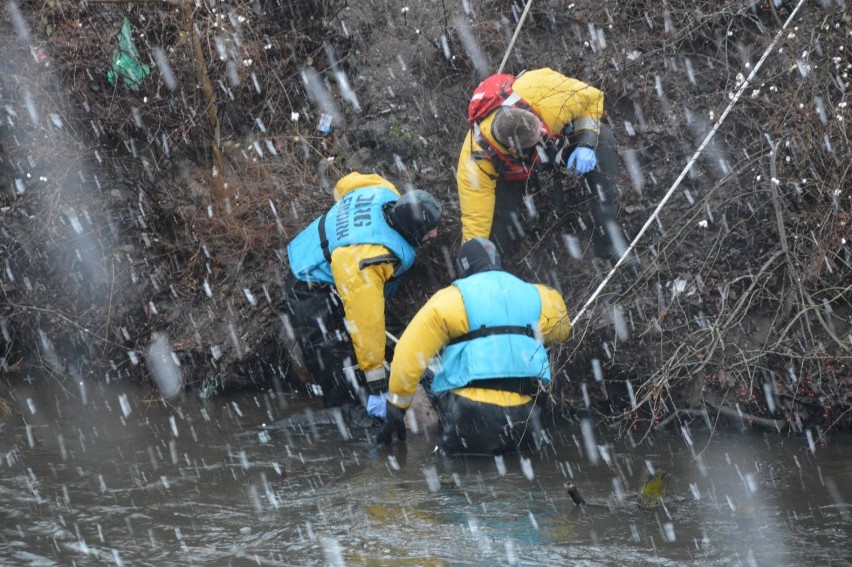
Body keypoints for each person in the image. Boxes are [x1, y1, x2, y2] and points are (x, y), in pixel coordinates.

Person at [377, 238, 572, 455]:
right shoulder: (538, 295)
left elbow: (408, 354)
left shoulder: (451, 298)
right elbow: (563, 330)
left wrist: (396, 407)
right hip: (524, 419)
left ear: (463, 268)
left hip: (468, 418)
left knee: (456, 480)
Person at [285, 171, 442, 418]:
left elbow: (344, 185)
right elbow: (366, 325)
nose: (434, 235)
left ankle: (427, 370)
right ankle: (341, 418)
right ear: (412, 229)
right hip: (309, 280)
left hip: (334, 264)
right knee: (329, 359)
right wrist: (377, 384)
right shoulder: (368, 261)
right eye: (429, 230)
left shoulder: (382, 191)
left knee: (393, 335)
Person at [456, 67, 635, 266]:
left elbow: (592, 98)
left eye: (540, 127)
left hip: (558, 141)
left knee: (604, 138)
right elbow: (475, 220)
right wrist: (475, 261)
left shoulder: (544, 94)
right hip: (515, 175)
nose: (542, 131)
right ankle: (497, 272)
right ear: (514, 147)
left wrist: (587, 141)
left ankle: (610, 239)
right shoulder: (476, 158)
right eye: (537, 135)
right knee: (494, 233)